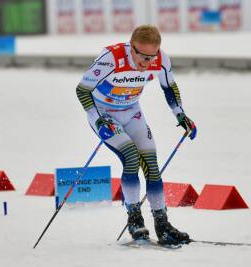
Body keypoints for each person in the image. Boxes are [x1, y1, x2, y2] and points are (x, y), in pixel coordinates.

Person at [76, 25, 197, 245]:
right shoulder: (111, 58)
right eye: (142, 57)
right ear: (131, 48)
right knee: (131, 157)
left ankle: (162, 225)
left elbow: (169, 87)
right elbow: (82, 89)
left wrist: (181, 115)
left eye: (152, 57)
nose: (147, 63)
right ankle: (134, 219)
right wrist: (98, 118)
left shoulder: (161, 59)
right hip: (104, 113)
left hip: (132, 112)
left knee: (152, 164)